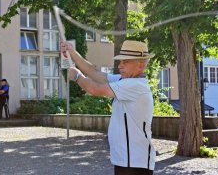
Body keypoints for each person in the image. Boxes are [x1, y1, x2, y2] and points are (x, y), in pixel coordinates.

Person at [61, 40, 156, 175]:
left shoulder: (136, 85)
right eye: (120, 61)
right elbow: (95, 73)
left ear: (140, 65)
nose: (120, 65)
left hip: (134, 163)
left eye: (126, 62)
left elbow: (95, 89)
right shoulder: (126, 81)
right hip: (127, 160)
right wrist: (72, 52)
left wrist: (77, 77)